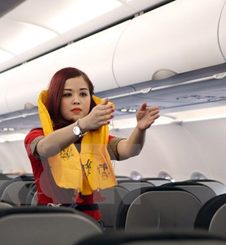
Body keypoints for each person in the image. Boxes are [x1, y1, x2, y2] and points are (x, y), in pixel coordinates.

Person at [24, 67, 159, 221]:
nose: (77, 100)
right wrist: (82, 125)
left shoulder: (96, 138)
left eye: (83, 94)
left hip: (90, 221)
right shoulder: (37, 135)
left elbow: (129, 150)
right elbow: (46, 148)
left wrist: (140, 129)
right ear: (55, 99)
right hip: (51, 221)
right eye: (67, 95)